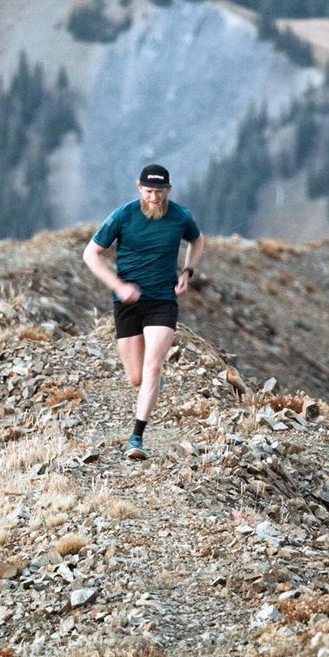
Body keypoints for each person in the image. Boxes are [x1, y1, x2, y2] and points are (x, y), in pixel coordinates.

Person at [83, 164, 205, 460]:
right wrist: (118, 285)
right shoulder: (123, 215)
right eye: (149, 191)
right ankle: (151, 383)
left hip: (162, 300)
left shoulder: (180, 216)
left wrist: (187, 272)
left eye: (159, 192)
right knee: (136, 377)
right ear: (139, 188)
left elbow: (197, 240)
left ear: (169, 189)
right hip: (127, 301)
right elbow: (90, 254)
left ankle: (136, 438)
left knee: (153, 366)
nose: (154, 197)